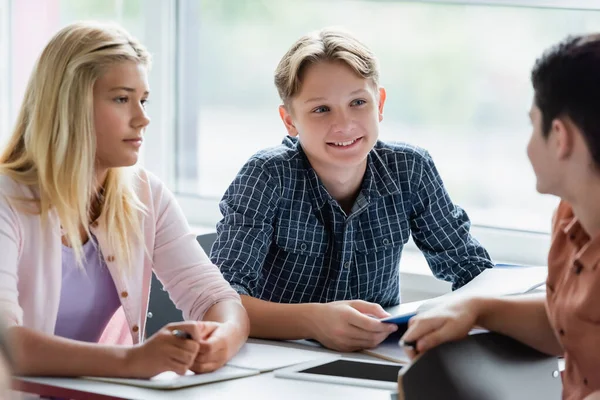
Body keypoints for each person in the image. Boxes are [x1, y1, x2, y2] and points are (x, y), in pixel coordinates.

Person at [211, 28, 493, 352]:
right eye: (321, 109)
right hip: (276, 361)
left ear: (380, 103)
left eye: (358, 102)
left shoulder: (410, 169)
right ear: (289, 121)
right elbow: (220, 301)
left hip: (377, 358)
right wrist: (313, 320)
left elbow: (472, 271)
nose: (344, 125)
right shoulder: (266, 176)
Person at [0, 21, 249, 379]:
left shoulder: (147, 195)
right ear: (69, 105)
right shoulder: (7, 199)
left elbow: (215, 297)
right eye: (121, 98)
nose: (143, 118)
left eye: (143, 100)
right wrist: (131, 362)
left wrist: (222, 340)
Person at [400, 34, 600, 400]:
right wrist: (476, 308)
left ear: (560, 137)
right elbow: (570, 324)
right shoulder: (572, 216)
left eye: (531, 123)